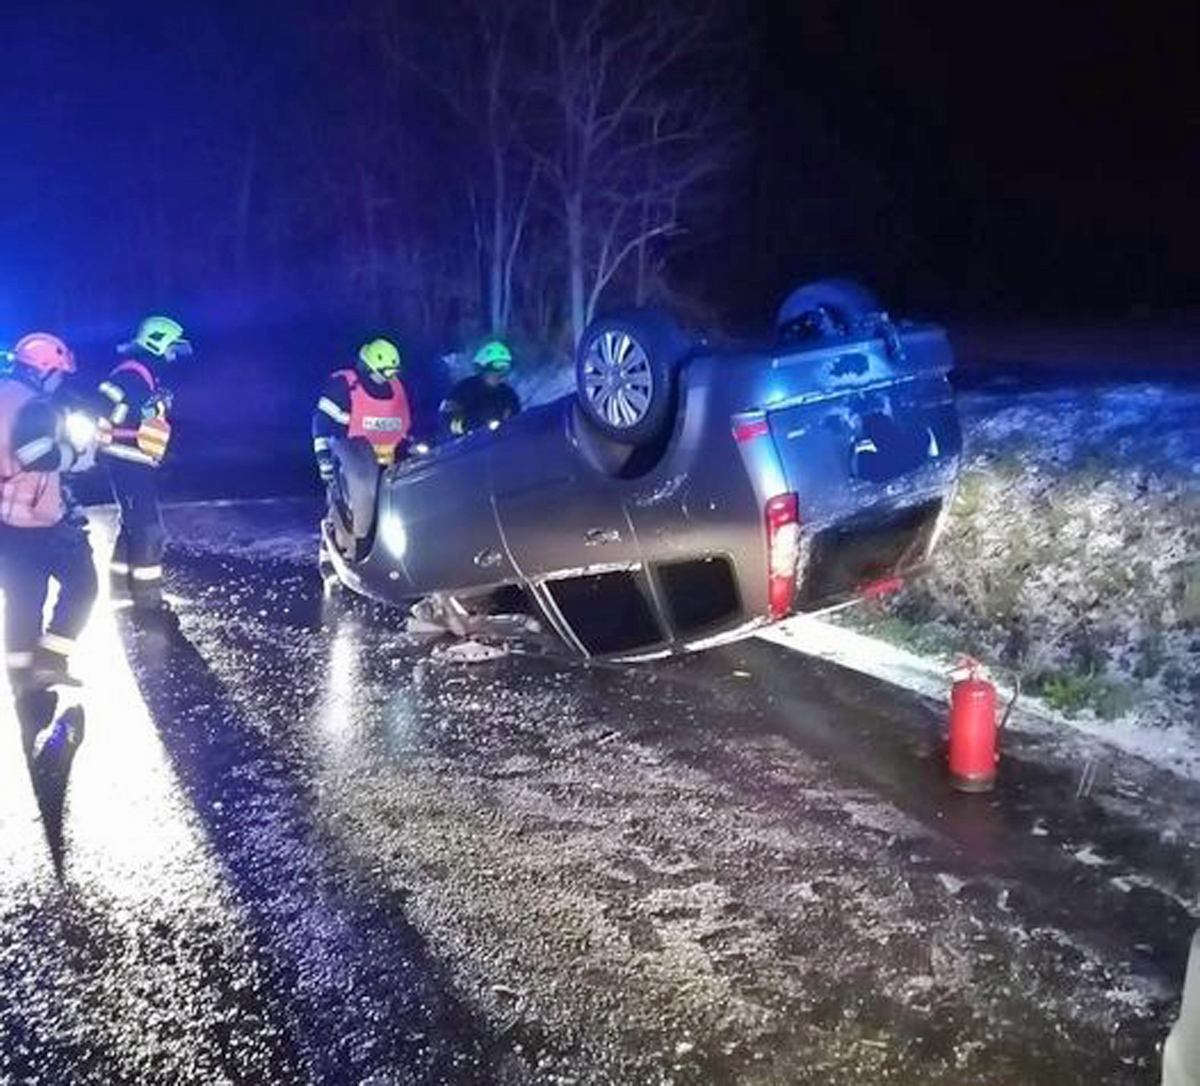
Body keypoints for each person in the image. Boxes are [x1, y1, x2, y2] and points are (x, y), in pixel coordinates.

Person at [0, 333, 99, 690]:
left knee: (23, 599)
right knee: (84, 585)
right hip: (39, 518)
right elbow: (36, 455)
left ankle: (22, 677)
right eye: (57, 373)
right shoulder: (35, 405)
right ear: (43, 370)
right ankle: (51, 660)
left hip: (6, 522)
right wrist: (78, 455)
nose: (60, 380)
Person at [95, 315, 190, 619]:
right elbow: (107, 407)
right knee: (149, 530)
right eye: (172, 347)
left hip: (136, 461)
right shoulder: (131, 376)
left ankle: (121, 588)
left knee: (133, 524)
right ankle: (147, 601)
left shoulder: (147, 374)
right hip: (126, 460)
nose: (175, 354)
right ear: (157, 343)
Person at [312, 338, 411, 590]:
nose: (386, 379)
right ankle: (337, 554)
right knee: (356, 508)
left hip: (387, 461)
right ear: (368, 368)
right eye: (382, 374)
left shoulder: (396, 388)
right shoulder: (343, 387)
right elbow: (321, 424)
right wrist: (324, 460)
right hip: (351, 458)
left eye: (391, 374)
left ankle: (387, 556)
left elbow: (405, 426)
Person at [439, 339, 521, 438]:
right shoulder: (463, 390)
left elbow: (517, 421)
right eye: (497, 367)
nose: (500, 374)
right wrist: (473, 425)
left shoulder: (509, 394)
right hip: (468, 447)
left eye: (505, 368)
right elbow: (446, 421)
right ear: (484, 368)